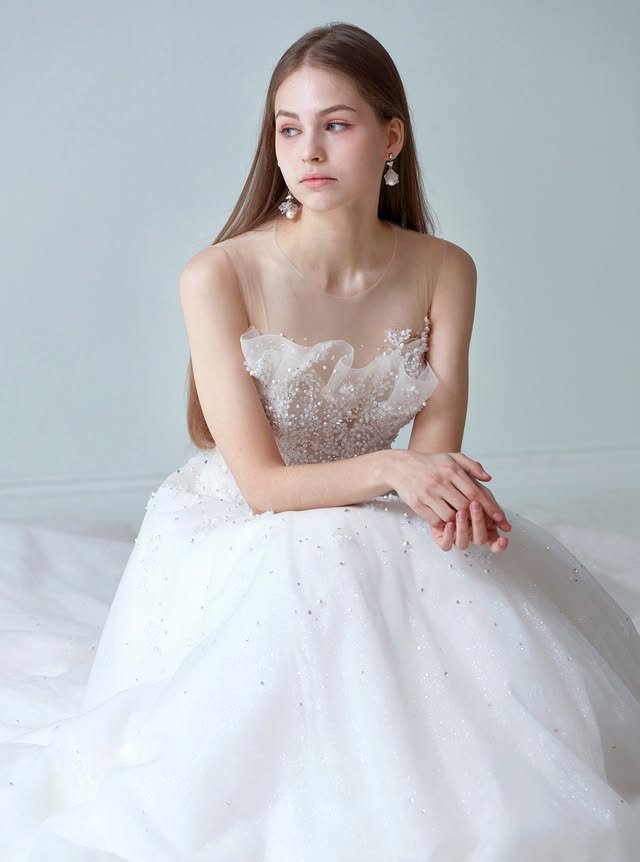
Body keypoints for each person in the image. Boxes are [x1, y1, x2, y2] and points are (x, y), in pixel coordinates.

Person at [1, 20, 639, 862]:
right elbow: (264, 486)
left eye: (336, 124)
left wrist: (447, 497)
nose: (308, 150)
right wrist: (396, 469)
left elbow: (435, 457)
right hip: (250, 520)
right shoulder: (218, 274)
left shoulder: (445, 267)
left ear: (391, 138)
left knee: (454, 586)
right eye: (289, 127)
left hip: (383, 505)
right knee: (321, 561)